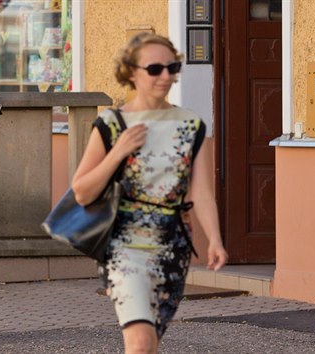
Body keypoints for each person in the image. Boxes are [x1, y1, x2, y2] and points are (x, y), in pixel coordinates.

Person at [71, 32, 228, 353]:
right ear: (131, 72)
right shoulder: (112, 123)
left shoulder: (191, 125)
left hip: (173, 244)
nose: (166, 76)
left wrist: (214, 239)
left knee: (150, 340)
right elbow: (82, 192)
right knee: (140, 340)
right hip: (125, 244)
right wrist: (119, 152)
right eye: (155, 69)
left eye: (172, 67)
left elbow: (200, 189)